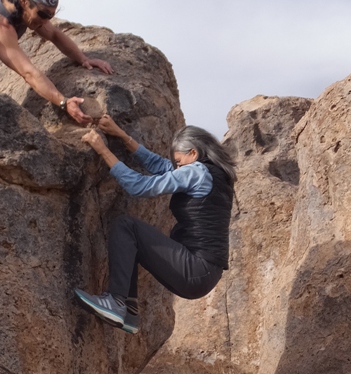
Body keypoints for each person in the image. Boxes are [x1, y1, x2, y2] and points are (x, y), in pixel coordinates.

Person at [74, 114, 237, 334]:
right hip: (203, 273)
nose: (176, 167)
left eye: (178, 161)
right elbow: (160, 166)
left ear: (194, 154)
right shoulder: (212, 174)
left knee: (126, 226)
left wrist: (103, 150)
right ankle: (129, 310)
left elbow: (139, 186)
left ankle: (116, 301)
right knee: (134, 242)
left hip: (196, 267)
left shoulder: (196, 172)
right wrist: (121, 135)